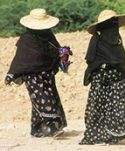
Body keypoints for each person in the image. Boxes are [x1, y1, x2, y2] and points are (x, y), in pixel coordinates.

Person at [80, 10, 125, 146]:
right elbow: (91, 60)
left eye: (115, 24)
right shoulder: (96, 40)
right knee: (99, 108)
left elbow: (120, 61)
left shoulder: (117, 40)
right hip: (100, 78)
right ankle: (99, 137)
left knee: (124, 105)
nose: (114, 27)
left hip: (118, 77)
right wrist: (92, 73)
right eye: (111, 24)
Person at [4, 8, 69, 137]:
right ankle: (52, 127)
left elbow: (55, 52)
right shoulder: (26, 40)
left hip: (47, 75)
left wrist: (63, 54)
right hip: (32, 77)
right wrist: (11, 74)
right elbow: (20, 59)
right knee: (44, 99)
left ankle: (37, 129)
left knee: (41, 102)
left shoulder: (49, 37)